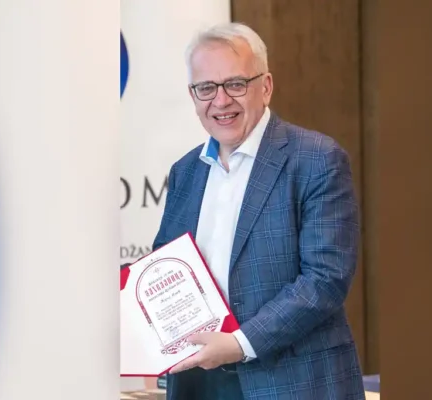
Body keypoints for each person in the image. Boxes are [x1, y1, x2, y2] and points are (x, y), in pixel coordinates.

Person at [152, 22, 364, 400]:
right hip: (199, 383)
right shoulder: (185, 172)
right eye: (206, 88)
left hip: (292, 382)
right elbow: (165, 268)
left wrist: (239, 343)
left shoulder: (317, 159)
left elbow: (325, 279)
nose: (221, 101)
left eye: (235, 84)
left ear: (265, 86)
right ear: (193, 95)